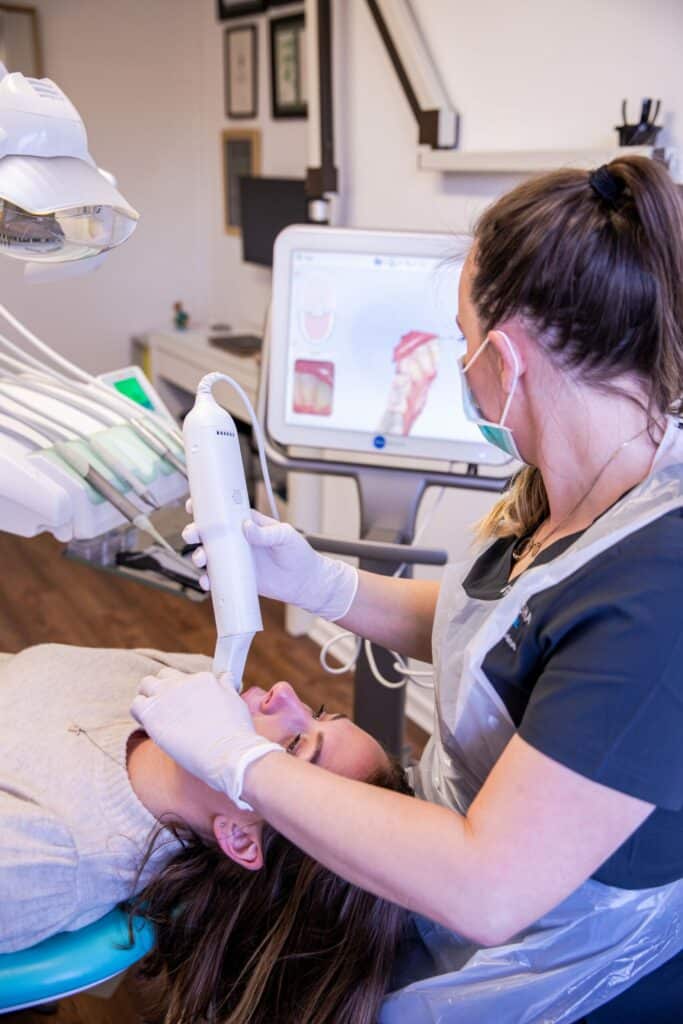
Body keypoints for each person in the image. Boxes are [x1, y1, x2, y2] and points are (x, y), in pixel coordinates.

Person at [134, 155, 683, 1023]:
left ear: (504, 356)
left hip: (569, 972)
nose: (460, 362)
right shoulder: (573, 487)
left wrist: (247, 762)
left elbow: (489, 887)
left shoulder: (659, 589)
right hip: (464, 894)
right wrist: (316, 582)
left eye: (460, 337)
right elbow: (497, 637)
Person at [0, 643, 413, 1024]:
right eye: (319, 710)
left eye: (293, 745)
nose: (283, 691)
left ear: (239, 837)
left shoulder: (52, 859)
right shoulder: (193, 684)